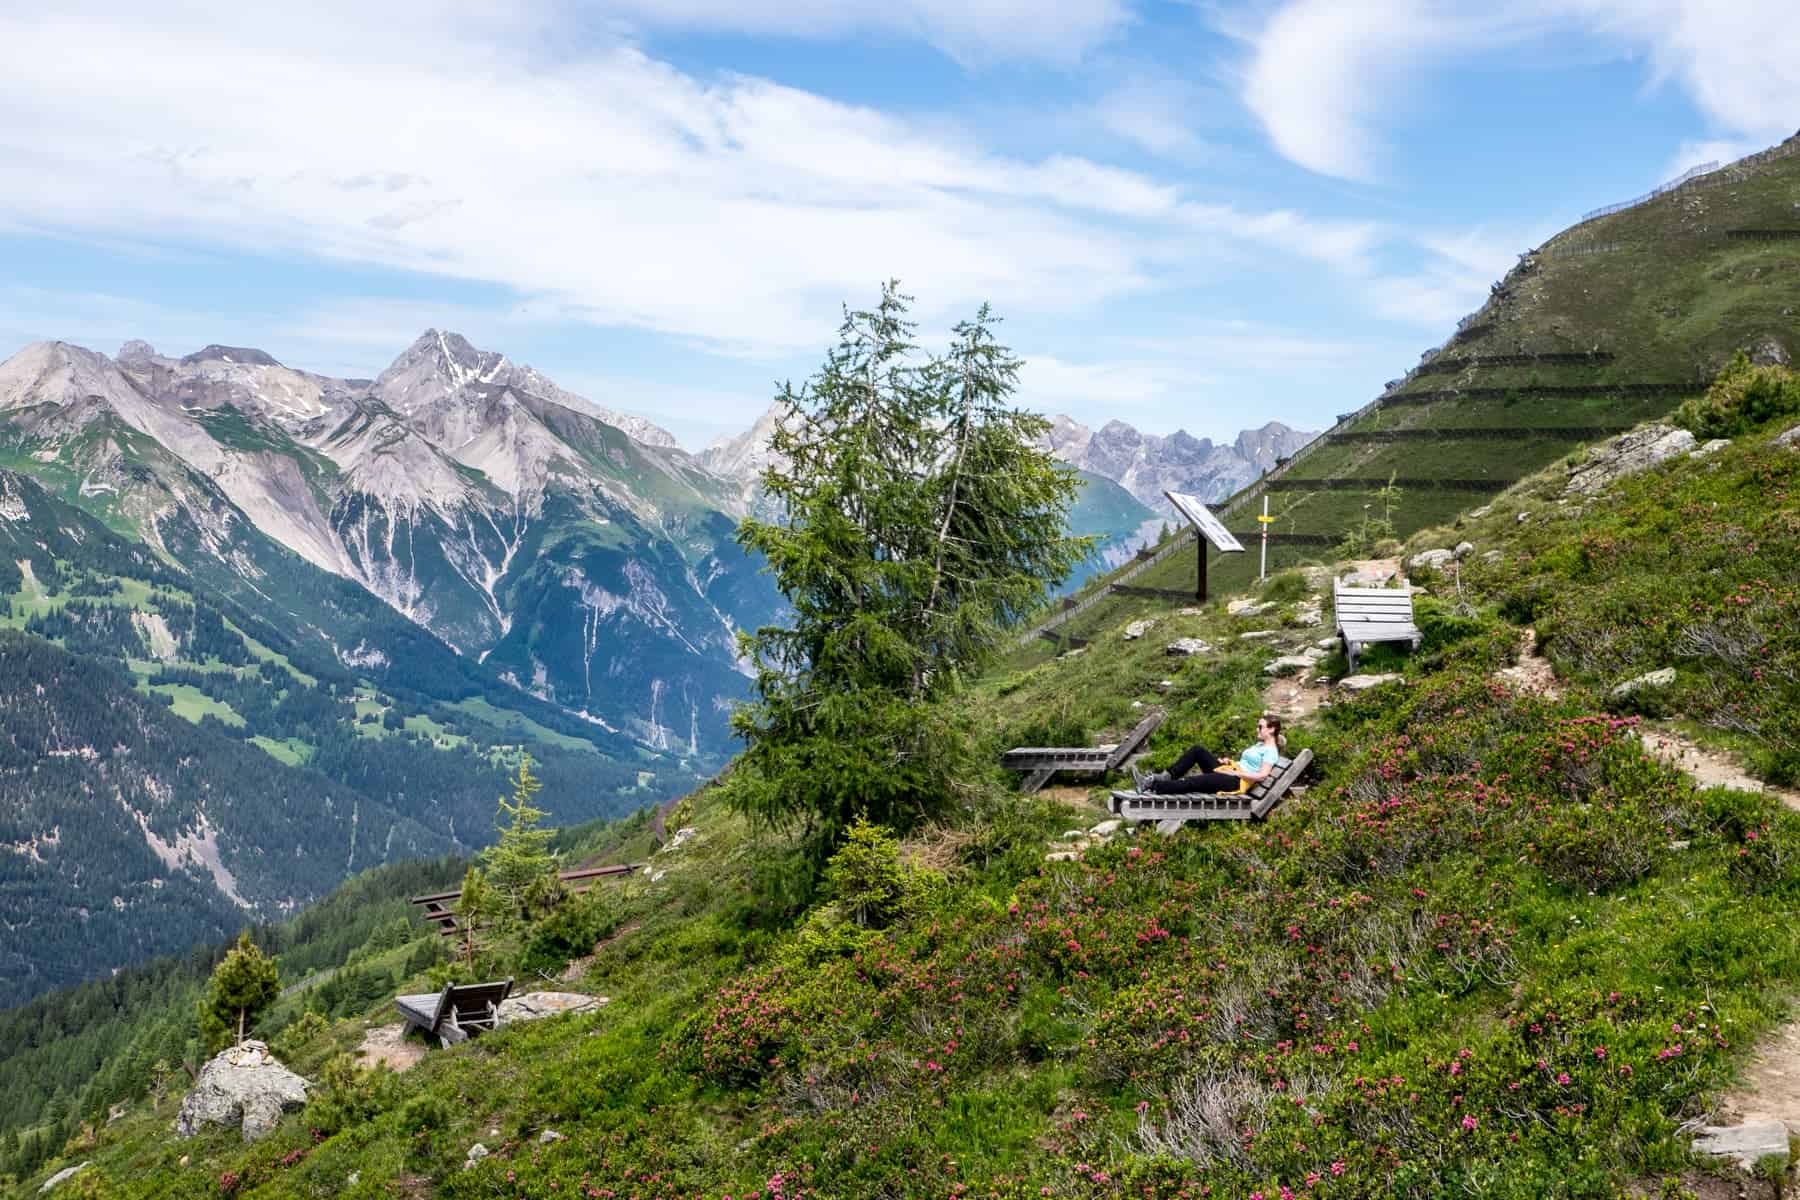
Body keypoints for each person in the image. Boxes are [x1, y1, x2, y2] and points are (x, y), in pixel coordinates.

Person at [1131, 716, 1286, 795]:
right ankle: (1165, 777)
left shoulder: (1271, 751)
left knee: (1195, 782)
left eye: (1260, 727)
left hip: (1235, 781)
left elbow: (1262, 776)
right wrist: (1230, 762)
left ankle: (1151, 785)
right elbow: (1248, 764)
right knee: (1198, 750)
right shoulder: (1260, 745)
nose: (1257, 730)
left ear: (1271, 730)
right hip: (1231, 772)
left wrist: (1235, 772)